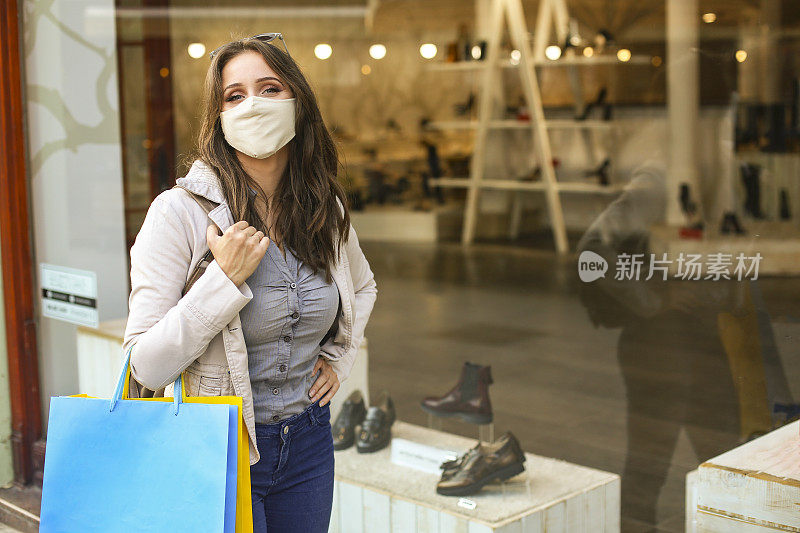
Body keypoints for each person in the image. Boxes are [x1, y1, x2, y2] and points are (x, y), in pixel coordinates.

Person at [122, 33, 378, 532]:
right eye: (233, 96)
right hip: (218, 444)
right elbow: (145, 364)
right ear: (217, 119)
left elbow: (363, 287)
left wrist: (339, 358)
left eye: (269, 88)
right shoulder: (179, 214)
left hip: (308, 442)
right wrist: (222, 279)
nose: (252, 105)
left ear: (297, 103)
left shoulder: (324, 209)